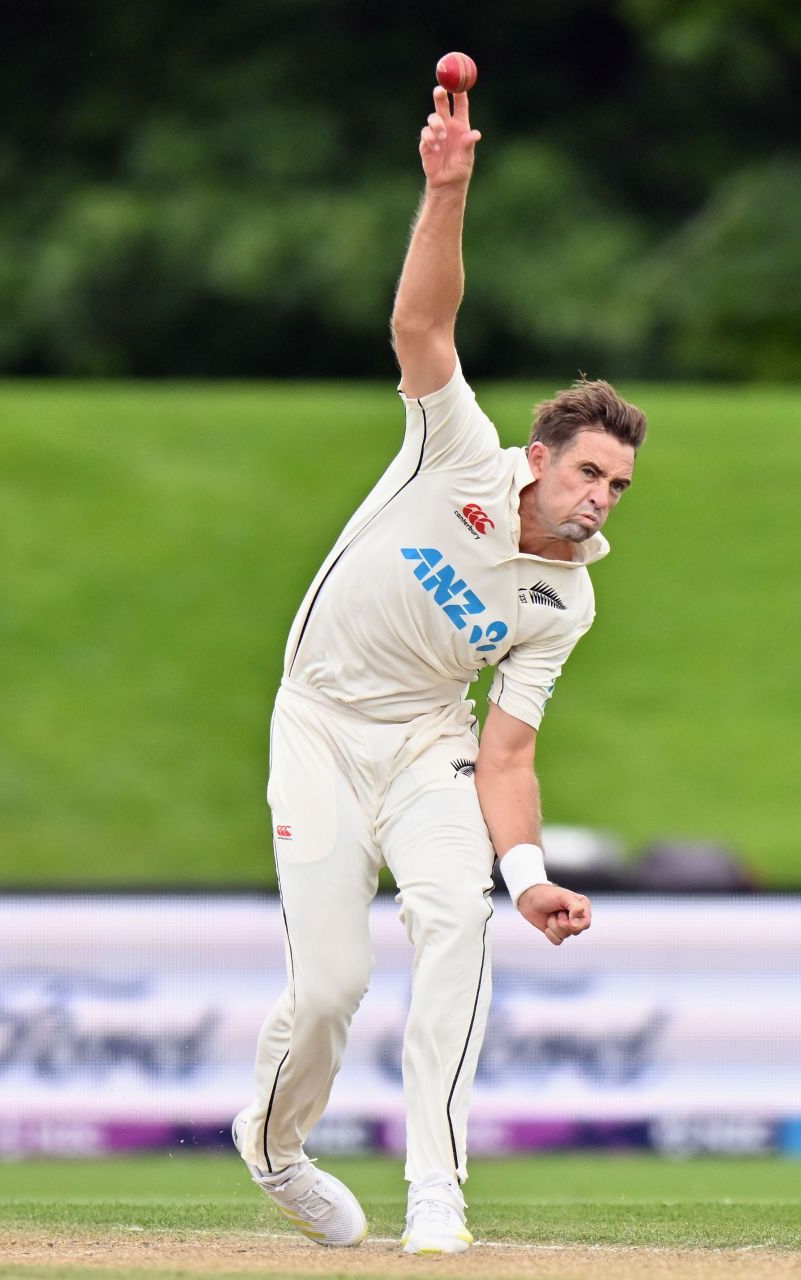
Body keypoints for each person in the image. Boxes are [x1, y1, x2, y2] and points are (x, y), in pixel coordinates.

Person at [231, 79, 647, 1257]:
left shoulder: (566, 598)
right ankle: (273, 1144)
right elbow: (423, 329)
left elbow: (507, 752)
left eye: (617, 487)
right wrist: (447, 187)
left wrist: (529, 877)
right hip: (316, 725)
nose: (599, 500)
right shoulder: (456, 448)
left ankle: (438, 1192)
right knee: (327, 988)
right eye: (587, 476)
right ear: (539, 456)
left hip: (427, 743)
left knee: (455, 928)